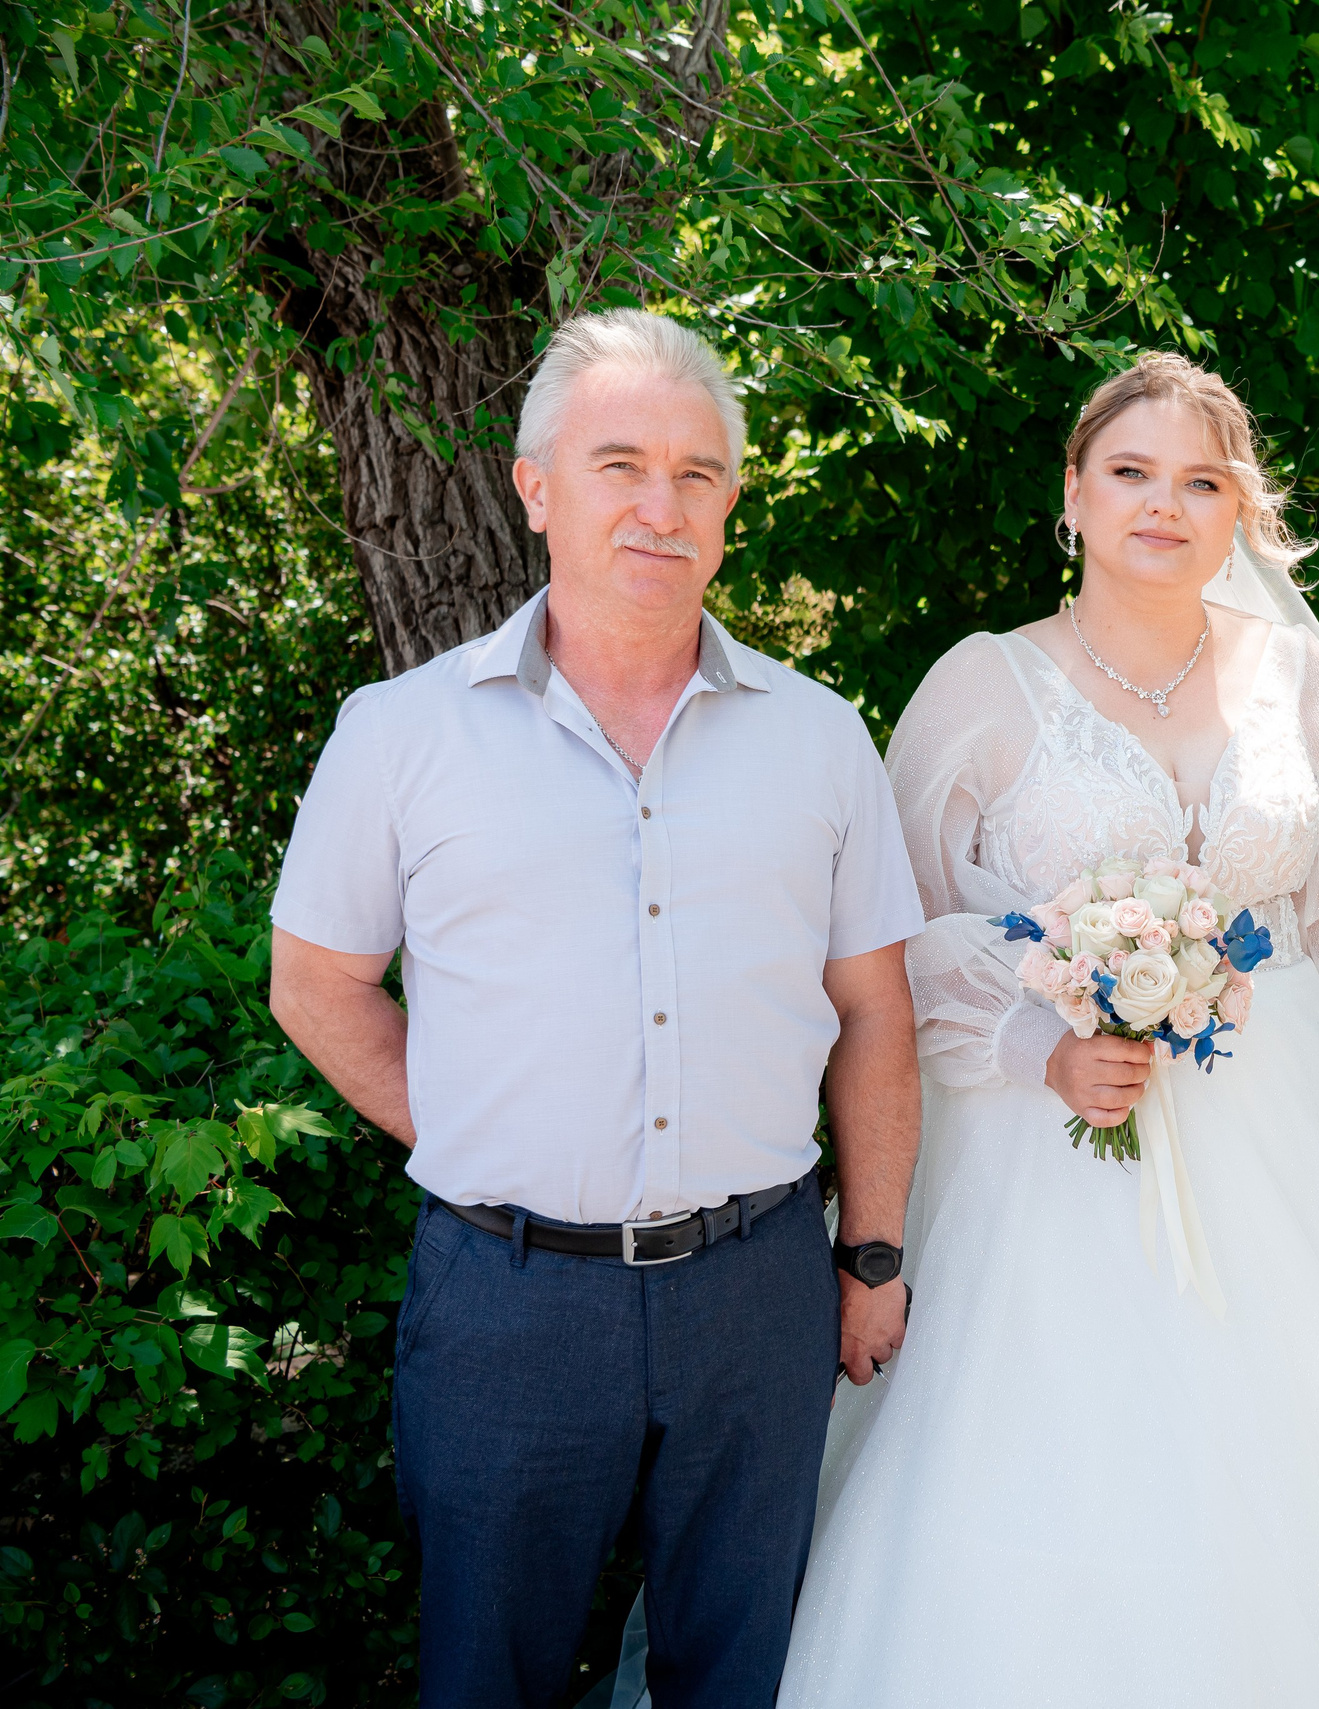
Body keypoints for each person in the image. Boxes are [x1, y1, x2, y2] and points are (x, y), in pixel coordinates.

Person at [772, 353, 1319, 1707]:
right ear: (1072, 493)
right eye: (1129, 473)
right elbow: (894, 956)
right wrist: (1036, 1046)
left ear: (1240, 512)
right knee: (1064, 1477)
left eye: (1199, 481)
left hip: (1286, 1151)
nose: (1162, 506)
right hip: (1046, 1155)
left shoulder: (1295, 678)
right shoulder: (982, 688)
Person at [266, 309, 927, 1709]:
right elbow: (317, 985)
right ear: (535, 485)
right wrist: (467, 1131)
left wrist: (870, 1252)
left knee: (738, 1672)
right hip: (509, 1298)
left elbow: (876, 1007)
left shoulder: (819, 736)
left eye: (697, 473)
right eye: (619, 462)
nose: (659, 504)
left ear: (732, 503)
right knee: (486, 1675)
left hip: (757, 1291)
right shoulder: (402, 735)